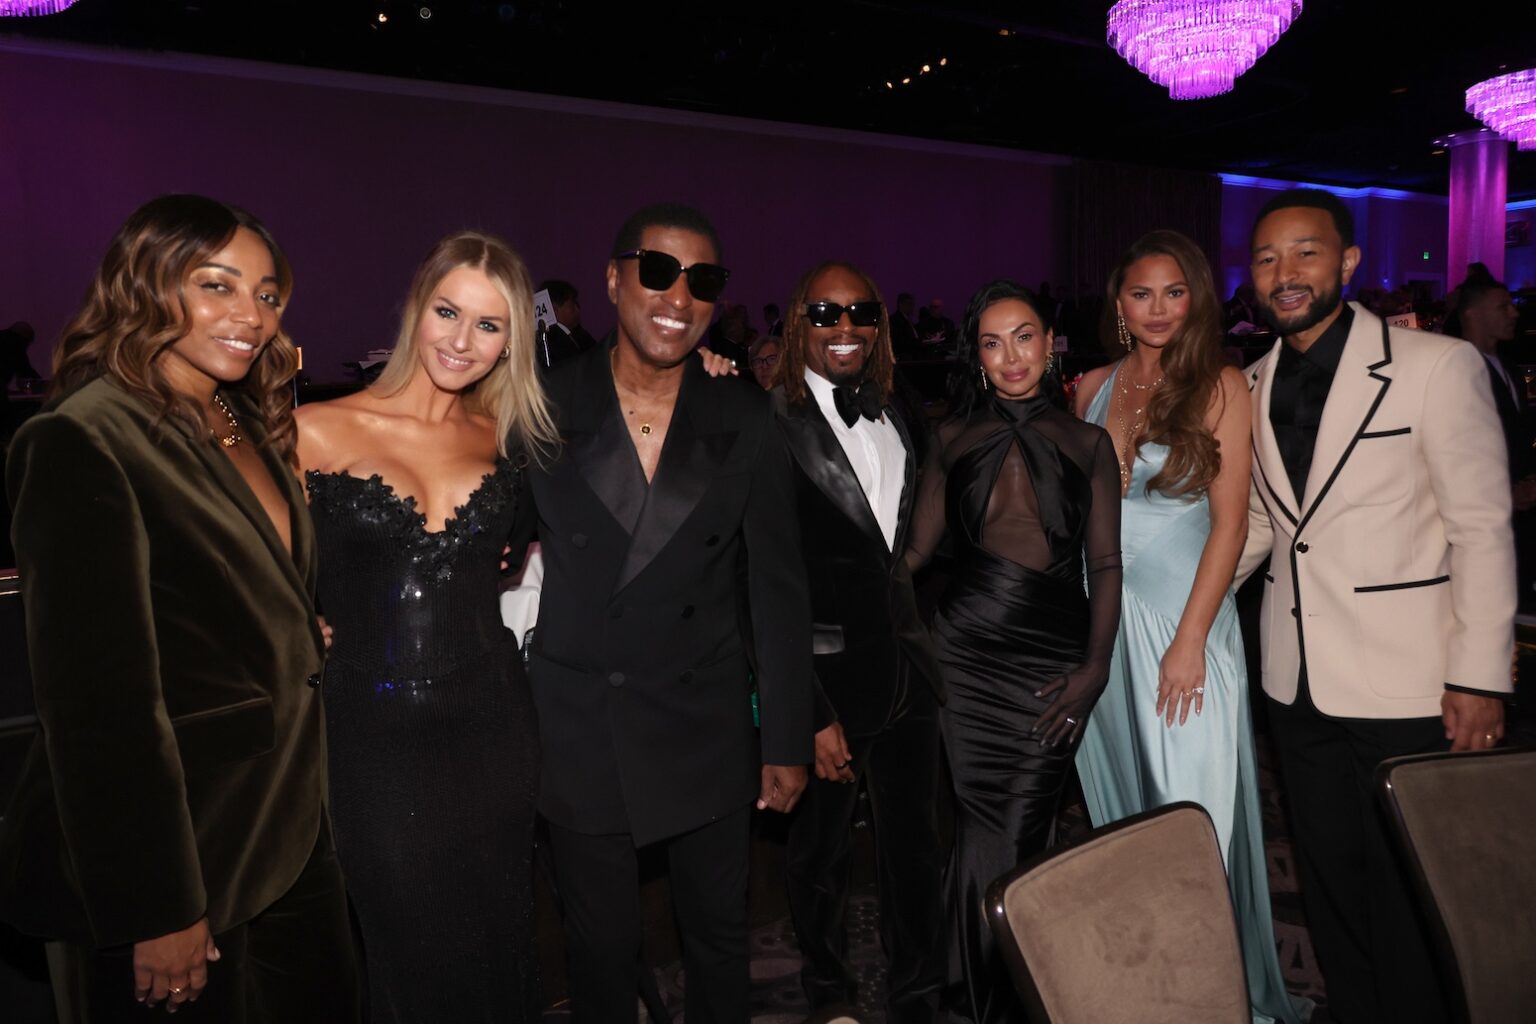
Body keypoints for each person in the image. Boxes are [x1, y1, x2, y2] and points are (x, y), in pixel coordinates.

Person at [2, 194, 358, 1021]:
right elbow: (94, 707)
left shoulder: (235, 412)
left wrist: (294, 631)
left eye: (268, 295)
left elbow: (230, 589)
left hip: (288, 821)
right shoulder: (82, 437)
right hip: (183, 849)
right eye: (217, 285)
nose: (251, 316)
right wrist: (156, 908)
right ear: (146, 283)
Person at [527, 202, 813, 1022]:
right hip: (585, 723)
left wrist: (785, 737)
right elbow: (481, 535)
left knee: (719, 940)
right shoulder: (541, 404)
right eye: (657, 272)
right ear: (613, 280)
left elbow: (778, 592)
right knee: (602, 950)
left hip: (707, 721)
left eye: (703, 281)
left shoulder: (745, 413)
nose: (677, 296)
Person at [1236, 189, 1515, 1024]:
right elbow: (1259, 525)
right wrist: (1174, 601)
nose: (1285, 274)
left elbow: (1483, 530)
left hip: (1413, 680)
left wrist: (1480, 676)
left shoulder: (1435, 366)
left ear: (1348, 262)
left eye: (1306, 253)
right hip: (1296, 680)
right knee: (1328, 873)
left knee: (1414, 882)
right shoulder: (1247, 382)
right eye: (1266, 258)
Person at [295, 231, 558, 1022]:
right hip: (372, 744)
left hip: (494, 728)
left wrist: (718, 366)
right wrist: (288, 617)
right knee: (409, 957)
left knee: (498, 940)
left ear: (512, 340)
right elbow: (225, 486)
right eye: (449, 312)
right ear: (417, 307)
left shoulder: (507, 437)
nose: (462, 341)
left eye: (489, 325)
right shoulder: (311, 426)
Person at [1072, 230, 1307, 1024]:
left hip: (1184, 629)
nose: (1160, 309)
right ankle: (1156, 988)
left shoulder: (1222, 385)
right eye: (1143, 293)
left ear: (1197, 299)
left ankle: (1216, 998)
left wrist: (1189, 641)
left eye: (1176, 293)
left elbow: (1232, 525)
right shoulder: (1091, 387)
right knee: (1127, 815)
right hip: (1106, 629)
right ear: (1119, 303)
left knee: (1190, 816)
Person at [905, 280, 1121, 1024]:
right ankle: (981, 994)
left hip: (1051, 660)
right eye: (992, 343)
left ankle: (982, 991)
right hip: (965, 657)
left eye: (1023, 336)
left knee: (1020, 824)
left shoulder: (1089, 443)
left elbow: (1108, 565)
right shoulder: (950, 437)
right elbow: (917, 556)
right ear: (979, 355)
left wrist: (1095, 670)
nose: (1011, 357)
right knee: (977, 827)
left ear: (1048, 341)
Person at [773, 261, 945, 1019]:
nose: (844, 326)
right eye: (825, 312)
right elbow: (762, 585)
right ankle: (830, 997)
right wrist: (804, 708)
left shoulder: (902, 409)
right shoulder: (767, 422)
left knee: (916, 851)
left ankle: (918, 993)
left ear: (878, 323)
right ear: (798, 323)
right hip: (829, 682)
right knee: (821, 862)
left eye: (859, 313)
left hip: (909, 671)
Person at [1448, 275, 1536, 608]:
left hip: (1518, 521)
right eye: (1503, 306)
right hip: (1479, 521)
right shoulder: (1453, 369)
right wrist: (1503, 495)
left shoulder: (1512, 370)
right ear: (1472, 313)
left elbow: (1517, 438)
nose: (1514, 313)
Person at [537, 278, 598, 369]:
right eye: (572, 304)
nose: (578, 309)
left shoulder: (580, 334)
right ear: (554, 310)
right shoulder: (549, 342)